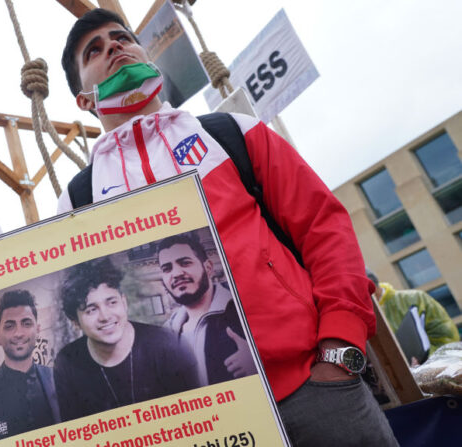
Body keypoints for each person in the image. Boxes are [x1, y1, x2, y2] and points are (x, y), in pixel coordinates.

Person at [57, 9, 396, 445]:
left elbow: (324, 229)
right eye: (95, 50)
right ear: (84, 100)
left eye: (121, 37)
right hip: (199, 427)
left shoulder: (232, 132)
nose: (114, 47)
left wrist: (340, 349)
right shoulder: (77, 200)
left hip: (313, 387)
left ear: (147, 55)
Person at [53, 258, 198, 422]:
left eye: (112, 302)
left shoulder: (167, 344)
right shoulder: (67, 362)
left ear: (124, 302)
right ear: (75, 322)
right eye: (91, 310)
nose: (105, 316)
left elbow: (196, 417)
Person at [157, 234, 256, 386]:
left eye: (185, 263)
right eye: (167, 268)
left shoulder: (242, 308)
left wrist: (257, 362)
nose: (176, 273)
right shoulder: (165, 335)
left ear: (208, 268)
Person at [0, 289, 60, 441]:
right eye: (10, 326)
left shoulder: (58, 378)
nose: (19, 333)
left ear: (37, 330)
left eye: (26, 323)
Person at [367, 270, 459, 359]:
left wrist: (424, 362)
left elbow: (447, 338)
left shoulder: (416, 298)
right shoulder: (363, 316)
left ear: (371, 285)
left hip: (438, 369)